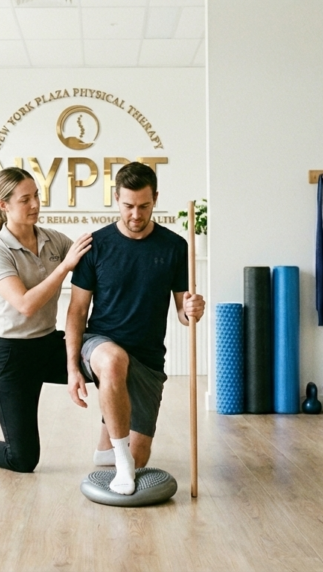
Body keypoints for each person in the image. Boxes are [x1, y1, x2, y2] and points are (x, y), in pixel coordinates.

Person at [65, 161, 205, 495]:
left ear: (155, 198)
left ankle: (109, 450)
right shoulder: (95, 245)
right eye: (128, 206)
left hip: (148, 358)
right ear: (116, 199)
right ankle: (120, 459)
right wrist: (72, 367)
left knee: (139, 455)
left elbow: (183, 315)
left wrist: (192, 311)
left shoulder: (174, 247)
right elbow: (76, 310)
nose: (136, 214)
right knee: (114, 362)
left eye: (144, 206)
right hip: (100, 345)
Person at [0, 167, 92, 473]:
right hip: (11, 357)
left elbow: (94, 257)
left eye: (36, 195)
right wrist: (65, 267)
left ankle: (110, 449)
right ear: (4, 205)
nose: (36, 204)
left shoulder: (53, 240)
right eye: (25, 199)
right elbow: (25, 305)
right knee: (23, 459)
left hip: (50, 344)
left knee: (111, 363)